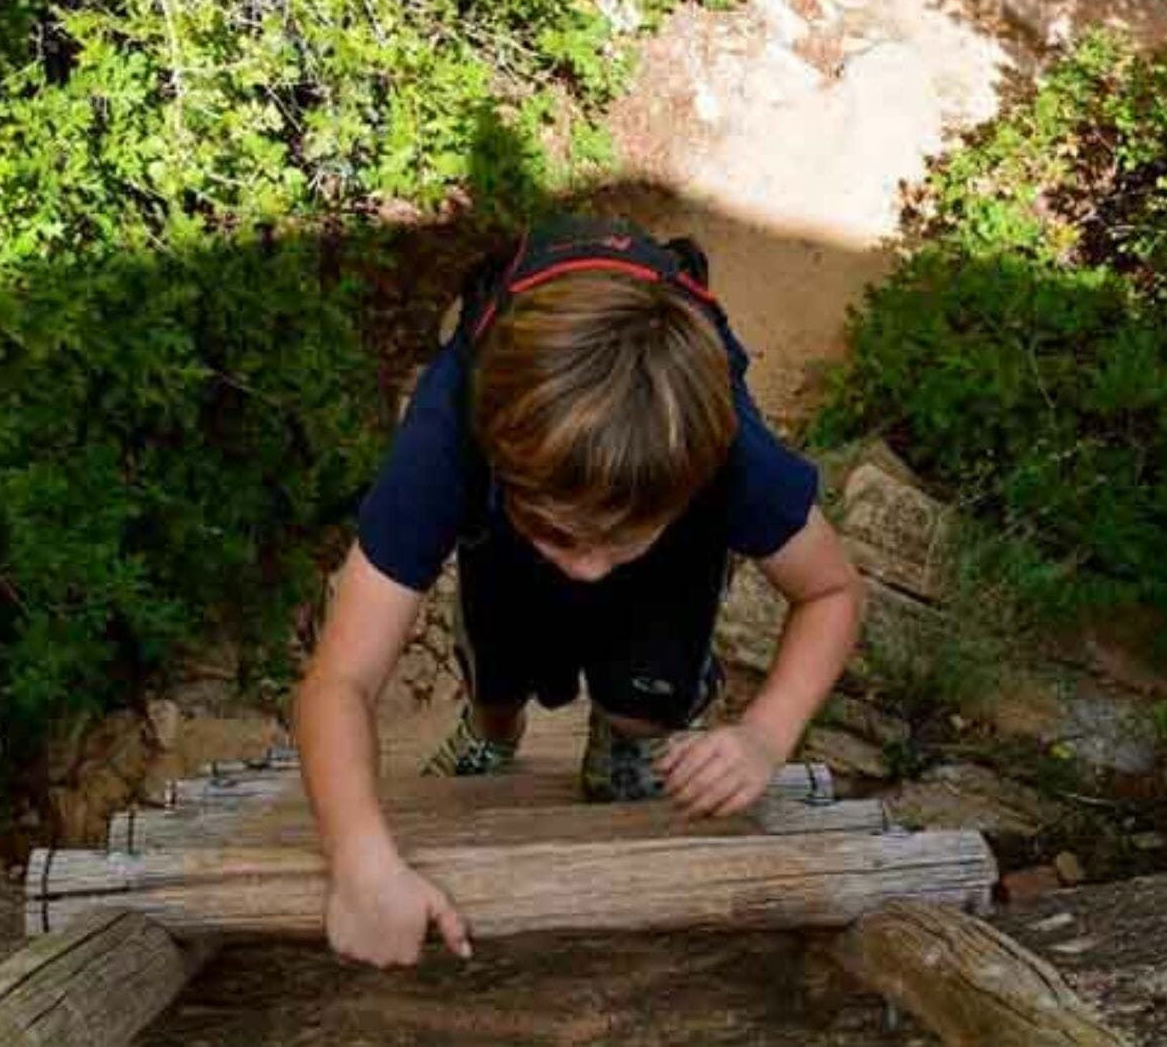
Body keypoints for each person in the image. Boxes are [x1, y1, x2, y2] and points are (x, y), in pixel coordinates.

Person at [294, 215, 864, 968]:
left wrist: (765, 735)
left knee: (642, 698)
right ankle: (493, 734)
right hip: (515, 531)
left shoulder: (723, 448)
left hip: (659, 543)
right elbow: (338, 680)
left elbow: (831, 593)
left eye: (614, 542)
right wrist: (361, 863)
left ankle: (623, 740)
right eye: (564, 537)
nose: (588, 569)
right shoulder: (448, 435)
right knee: (498, 665)